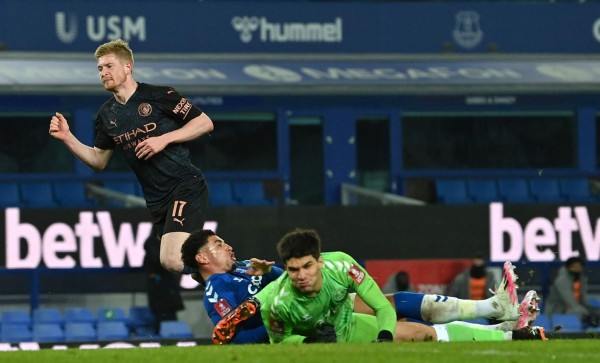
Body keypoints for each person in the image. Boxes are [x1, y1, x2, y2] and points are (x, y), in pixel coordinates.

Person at [49, 39, 213, 275]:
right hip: (157, 201)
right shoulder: (107, 115)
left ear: (128, 67)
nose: (103, 73)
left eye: (109, 66)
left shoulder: (159, 95)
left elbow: (204, 123)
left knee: (172, 260)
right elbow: (98, 161)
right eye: (100, 68)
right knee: (194, 270)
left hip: (184, 185)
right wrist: (68, 138)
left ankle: (231, 263)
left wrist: (164, 138)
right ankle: (236, 277)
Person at [210, 228, 546, 344]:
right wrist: (307, 339)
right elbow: (273, 339)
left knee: (416, 330)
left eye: (307, 265)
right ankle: (496, 315)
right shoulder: (263, 297)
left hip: (344, 321)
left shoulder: (340, 264)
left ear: (320, 259)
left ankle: (507, 330)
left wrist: (384, 337)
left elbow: (383, 307)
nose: (301, 275)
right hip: (312, 336)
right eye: (293, 269)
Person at [545, 256, 599, 327]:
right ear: (568, 268)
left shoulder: (582, 279)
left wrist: (592, 311)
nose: (578, 269)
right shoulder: (561, 280)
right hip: (557, 310)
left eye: (579, 267)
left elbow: (583, 300)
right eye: (574, 267)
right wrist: (586, 313)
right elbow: (570, 301)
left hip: (576, 308)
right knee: (579, 313)